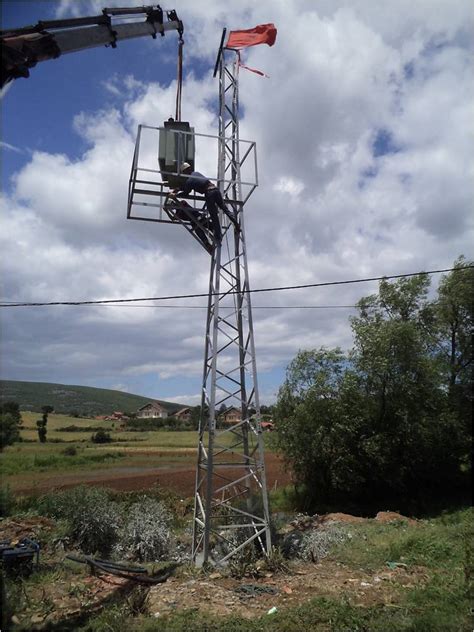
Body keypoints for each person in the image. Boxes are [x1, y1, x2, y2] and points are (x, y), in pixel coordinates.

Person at [169, 163, 239, 242]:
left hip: (209, 193)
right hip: (216, 190)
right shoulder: (196, 174)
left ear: (185, 171)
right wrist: (178, 189)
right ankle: (236, 223)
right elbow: (186, 187)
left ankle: (218, 237)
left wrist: (176, 195)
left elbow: (186, 192)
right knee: (225, 209)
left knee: (214, 215)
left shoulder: (189, 181)